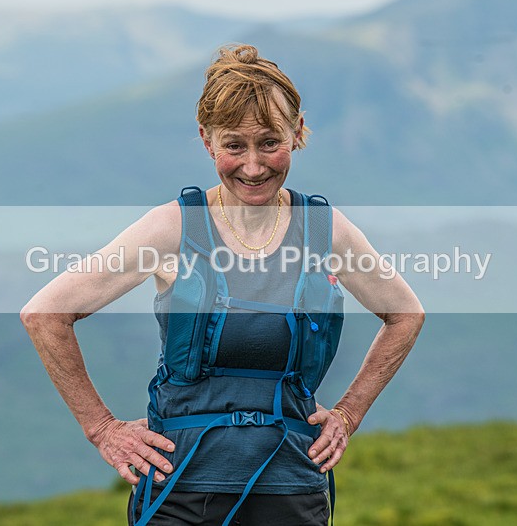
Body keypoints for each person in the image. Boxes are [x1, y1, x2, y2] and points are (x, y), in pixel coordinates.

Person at [21, 43, 425, 525]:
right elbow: (45, 314)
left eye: (270, 142)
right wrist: (103, 429)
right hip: (181, 488)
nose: (253, 167)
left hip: (292, 486)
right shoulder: (173, 228)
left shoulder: (325, 230)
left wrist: (349, 413)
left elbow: (405, 314)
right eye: (234, 146)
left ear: (296, 134)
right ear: (207, 140)